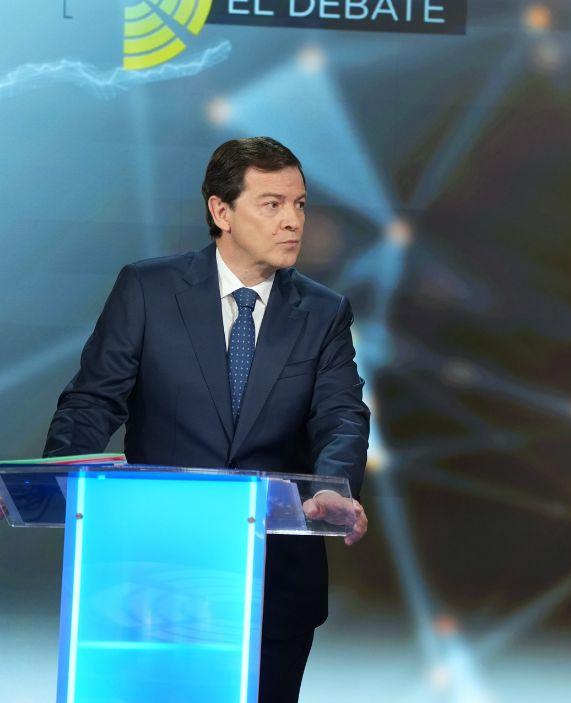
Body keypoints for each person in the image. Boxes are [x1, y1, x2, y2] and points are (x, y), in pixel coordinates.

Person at [44, 136, 370, 703]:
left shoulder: (323, 312)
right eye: (272, 204)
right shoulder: (147, 289)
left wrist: (333, 488)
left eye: (300, 204)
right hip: (155, 575)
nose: (293, 220)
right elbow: (94, 400)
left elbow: (342, 415)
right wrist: (55, 478)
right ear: (221, 211)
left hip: (275, 580)